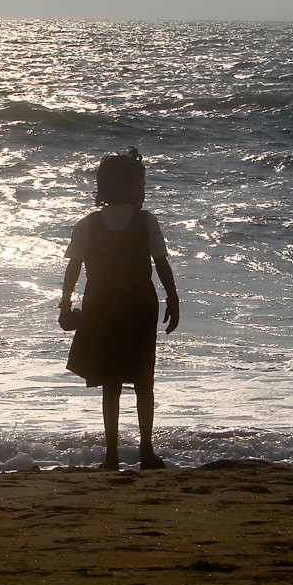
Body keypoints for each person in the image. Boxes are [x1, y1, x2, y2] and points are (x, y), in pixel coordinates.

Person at [60, 148, 179, 470]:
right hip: (139, 303)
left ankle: (111, 453)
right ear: (129, 187)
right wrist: (173, 299)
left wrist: (65, 303)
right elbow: (161, 263)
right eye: (140, 185)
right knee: (144, 380)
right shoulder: (145, 222)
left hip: (101, 304)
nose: (143, 191)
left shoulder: (88, 224)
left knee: (110, 382)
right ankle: (146, 450)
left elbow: (73, 268)